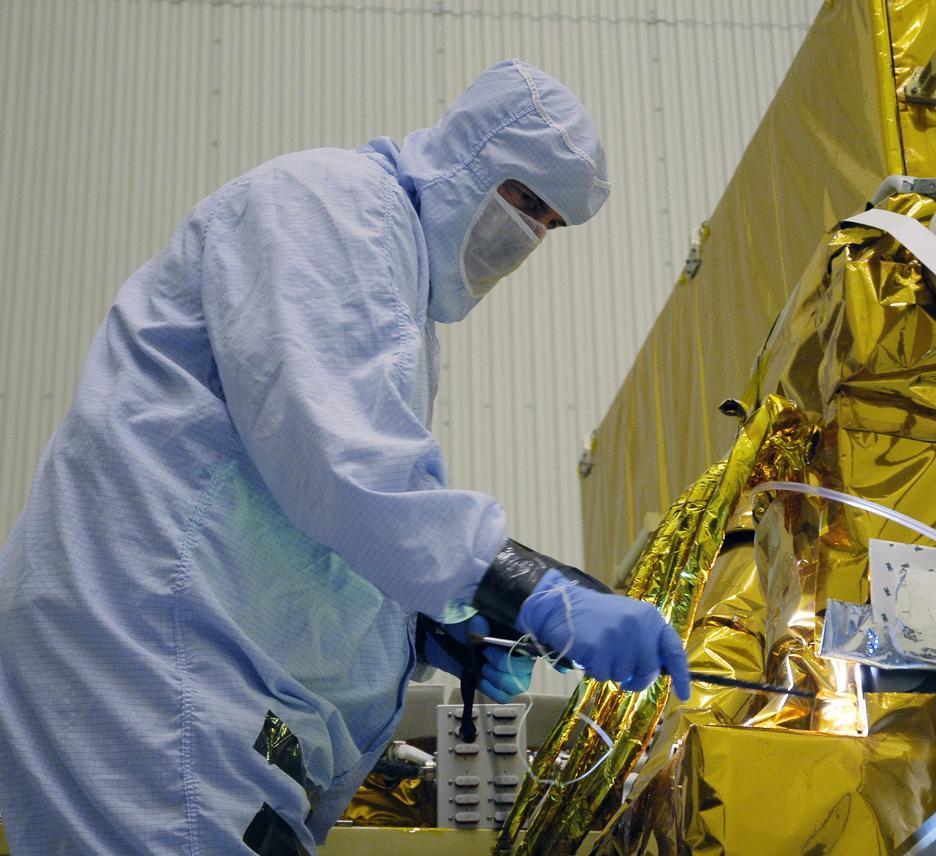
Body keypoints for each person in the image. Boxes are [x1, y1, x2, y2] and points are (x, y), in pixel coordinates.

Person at [0, 59, 691, 855]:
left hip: (206, 682)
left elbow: (307, 508)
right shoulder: (332, 208)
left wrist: (419, 623)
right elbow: (344, 462)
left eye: (550, 225)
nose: (528, 234)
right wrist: (525, 585)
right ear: (466, 154)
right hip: (157, 660)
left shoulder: (389, 280)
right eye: (523, 199)